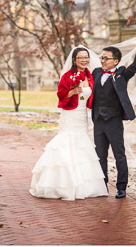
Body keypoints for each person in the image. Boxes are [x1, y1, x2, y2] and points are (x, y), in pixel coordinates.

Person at [29, 47, 108, 200]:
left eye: (86, 57)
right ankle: (62, 184)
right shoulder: (67, 76)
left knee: (82, 145)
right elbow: (60, 95)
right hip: (70, 114)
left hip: (82, 117)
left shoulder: (90, 76)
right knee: (66, 143)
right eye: (80, 57)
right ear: (74, 59)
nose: (84, 60)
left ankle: (85, 185)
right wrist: (72, 92)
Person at [88, 37, 136, 199]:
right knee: (100, 155)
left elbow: (135, 66)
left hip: (113, 120)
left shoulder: (121, 73)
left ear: (116, 61)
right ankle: (102, 185)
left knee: (119, 154)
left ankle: (121, 187)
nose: (103, 61)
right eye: (102, 57)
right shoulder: (96, 72)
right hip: (98, 120)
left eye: (106, 58)